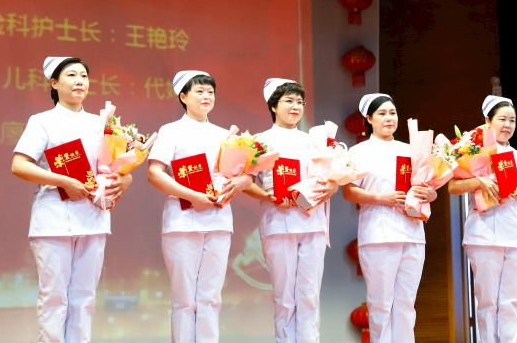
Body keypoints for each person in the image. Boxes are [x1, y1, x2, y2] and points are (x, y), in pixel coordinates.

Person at [11, 56, 133, 343]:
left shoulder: (102, 124)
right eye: (71, 75)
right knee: (54, 297)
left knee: (84, 297)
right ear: (54, 83)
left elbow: (115, 167)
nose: (80, 81)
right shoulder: (42, 121)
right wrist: (63, 180)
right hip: (54, 218)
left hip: (93, 217)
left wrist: (125, 179)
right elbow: (19, 165)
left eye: (84, 76)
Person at [147, 70, 252, 343]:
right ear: (183, 97)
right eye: (199, 91)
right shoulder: (170, 131)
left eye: (210, 92)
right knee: (184, 299)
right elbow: (155, 173)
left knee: (211, 297)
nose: (206, 96)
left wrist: (243, 180)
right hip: (182, 222)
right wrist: (191, 195)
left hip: (218, 220)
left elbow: (244, 173)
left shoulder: (226, 135)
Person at [243, 78, 337, 343]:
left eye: (300, 102)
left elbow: (331, 178)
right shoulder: (259, 142)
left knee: (309, 295)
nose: (296, 106)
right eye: (289, 101)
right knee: (284, 297)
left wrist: (332, 187)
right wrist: (268, 196)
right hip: (278, 223)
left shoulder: (314, 141)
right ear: (273, 106)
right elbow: (245, 182)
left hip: (312, 223)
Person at [342, 93, 437, 343]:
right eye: (382, 113)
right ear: (368, 118)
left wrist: (431, 193)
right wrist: (379, 197)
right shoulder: (358, 151)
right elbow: (349, 191)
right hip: (378, 234)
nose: (389, 118)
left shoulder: (412, 150)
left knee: (406, 303)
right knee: (381, 304)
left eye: (392, 113)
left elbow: (427, 188)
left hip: (412, 233)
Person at [448, 95, 517, 343]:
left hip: (515, 234)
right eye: (502, 119)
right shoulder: (472, 151)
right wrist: (479, 182)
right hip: (483, 233)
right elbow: (452, 187)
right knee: (487, 301)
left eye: (512, 120)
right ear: (487, 121)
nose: (508, 125)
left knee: (511, 300)